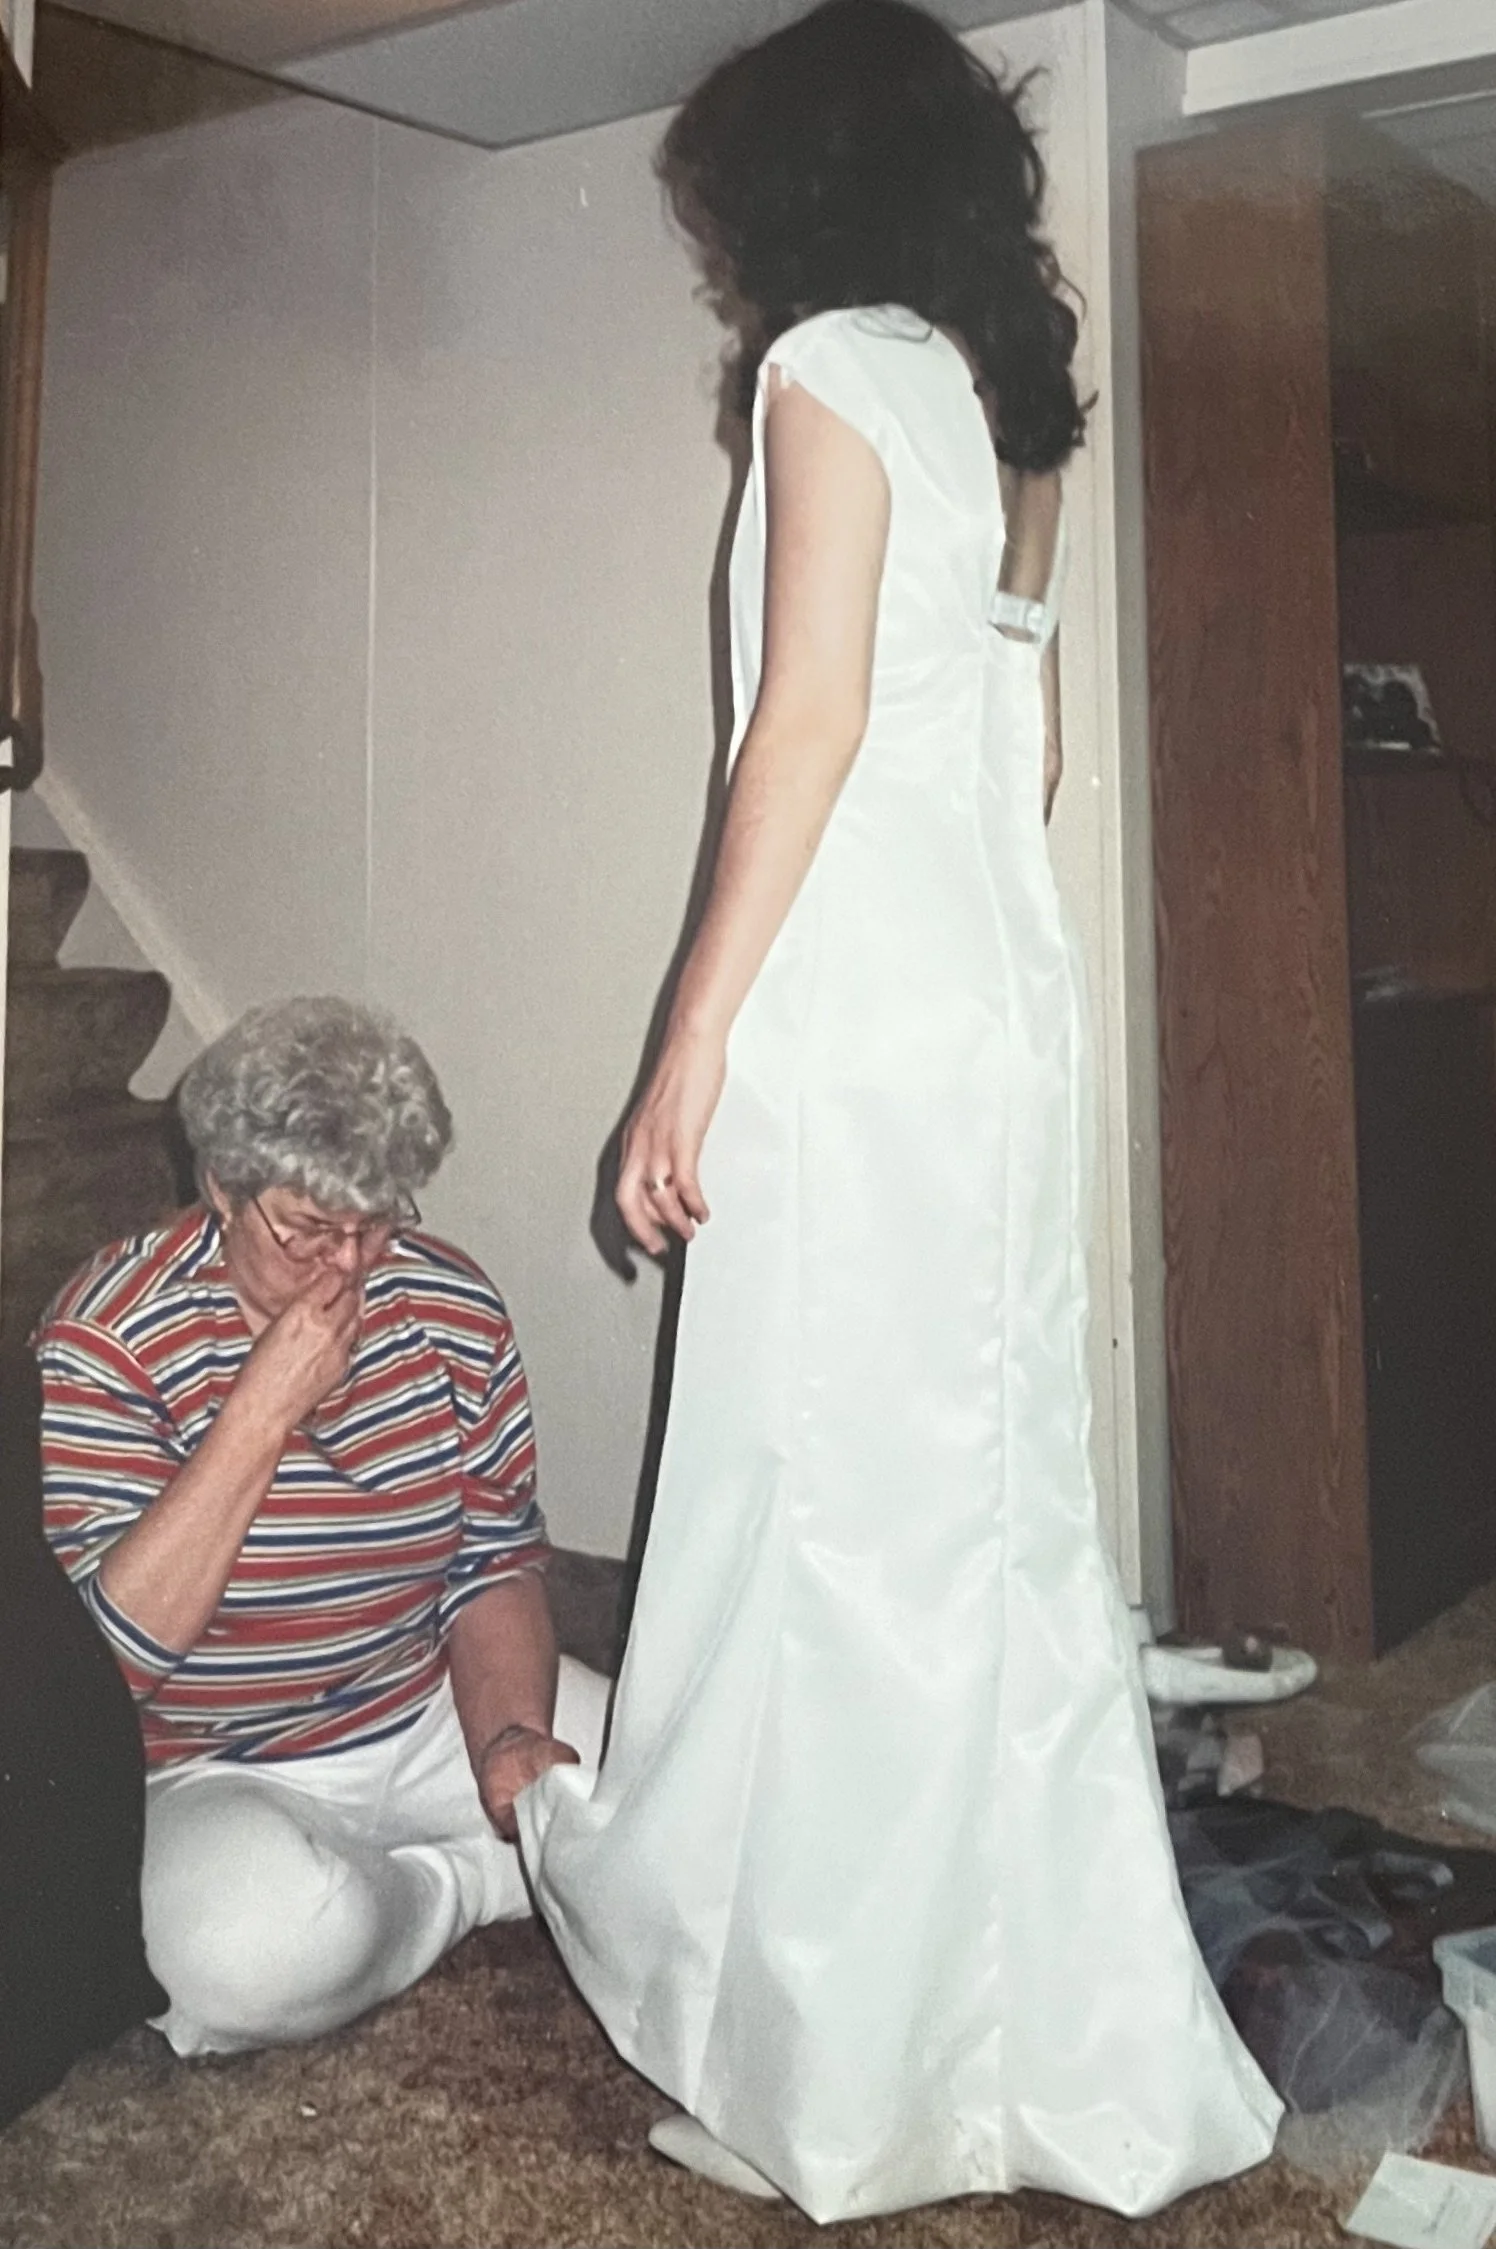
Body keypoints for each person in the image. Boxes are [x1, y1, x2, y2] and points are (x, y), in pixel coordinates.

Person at [519, 0, 1282, 2222]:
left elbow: (810, 722)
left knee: (836, 1489)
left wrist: (689, 1031)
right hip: (984, 1004)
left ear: (797, 183)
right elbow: (1013, 755)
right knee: (975, 1495)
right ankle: (1007, 2027)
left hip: (857, 1014)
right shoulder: (1001, 404)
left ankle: (845, 2058)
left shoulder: (830, 369)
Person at [38, 995, 608, 2058]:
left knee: (692, 1767)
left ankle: (442, 1863)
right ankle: (471, 1882)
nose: (348, 1265)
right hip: (214, 1765)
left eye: (378, 1221)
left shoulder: (452, 1309)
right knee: (235, 1955)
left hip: (421, 1697)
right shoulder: (102, 1338)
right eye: (306, 1229)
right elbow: (105, 1663)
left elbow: (488, 1563)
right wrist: (260, 1411)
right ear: (219, 1184)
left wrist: (510, 1733)